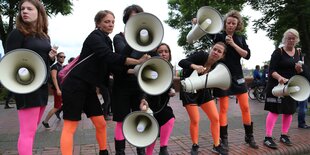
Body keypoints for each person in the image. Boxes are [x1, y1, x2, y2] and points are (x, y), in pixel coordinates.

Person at [59, 10, 150, 155]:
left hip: (88, 87)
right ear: (98, 23)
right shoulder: (94, 37)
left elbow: (113, 65)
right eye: (107, 22)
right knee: (70, 126)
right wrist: (138, 61)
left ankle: (103, 152)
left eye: (113, 22)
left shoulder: (106, 40)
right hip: (75, 85)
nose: (111, 24)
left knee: (101, 124)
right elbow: (109, 56)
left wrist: (138, 68)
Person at [5, 0, 58, 154]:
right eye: (22, 9)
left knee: (31, 131)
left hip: (41, 86)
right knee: (27, 132)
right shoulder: (17, 33)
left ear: (39, 12)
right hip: (26, 87)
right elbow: (10, 63)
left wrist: (50, 57)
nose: (25, 11)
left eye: (29, 8)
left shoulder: (44, 35)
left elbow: (41, 62)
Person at [210, 10, 258, 149]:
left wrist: (233, 44)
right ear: (225, 24)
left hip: (238, 76)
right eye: (228, 23)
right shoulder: (218, 36)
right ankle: (224, 139)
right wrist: (196, 22)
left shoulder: (241, 39)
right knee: (223, 109)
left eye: (233, 23)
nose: (230, 25)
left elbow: (247, 55)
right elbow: (205, 29)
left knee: (245, 107)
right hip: (221, 76)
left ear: (237, 25)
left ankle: (249, 136)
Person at [111, 5, 154, 155]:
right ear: (126, 20)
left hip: (138, 85)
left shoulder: (147, 41)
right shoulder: (118, 38)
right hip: (121, 85)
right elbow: (123, 57)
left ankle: (140, 150)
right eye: (132, 18)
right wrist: (138, 56)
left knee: (139, 118)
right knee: (121, 120)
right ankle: (120, 152)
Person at [178, 42, 228, 155]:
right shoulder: (201, 55)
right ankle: (195, 145)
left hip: (203, 91)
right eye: (215, 49)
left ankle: (216, 145)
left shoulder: (216, 66)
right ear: (211, 49)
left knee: (215, 118)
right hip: (188, 89)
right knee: (195, 120)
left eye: (219, 51)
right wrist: (195, 66)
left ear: (222, 56)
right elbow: (182, 62)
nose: (216, 52)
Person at [263, 28, 308, 149]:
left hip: (291, 86)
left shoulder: (298, 53)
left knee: (289, 111)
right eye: (289, 38)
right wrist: (280, 78)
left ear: (297, 40)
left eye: (293, 38)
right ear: (285, 39)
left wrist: (299, 70)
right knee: (274, 111)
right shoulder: (278, 52)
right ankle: (267, 137)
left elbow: (300, 72)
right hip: (276, 86)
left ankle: (284, 135)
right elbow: (271, 70)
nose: (291, 40)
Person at [145, 43, 176, 155]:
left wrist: (171, 90)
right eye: (160, 51)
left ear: (169, 54)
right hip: (149, 104)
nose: (163, 54)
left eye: (166, 51)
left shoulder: (170, 67)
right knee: (152, 132)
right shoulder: (151, 66)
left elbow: (169, 84)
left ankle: (163, 148)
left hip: (162, 104)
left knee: (169, 117)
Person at [42, 52, 66, 128]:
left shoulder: (61, 67)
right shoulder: (55, 67)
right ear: (57, 57)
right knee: (56, 107)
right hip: (57, 90)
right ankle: (45, 121)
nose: (63, 58)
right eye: (61, 57)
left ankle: (60, 112)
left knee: (65, 103)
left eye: (64, 57)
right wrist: (58, 89)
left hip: (62, 89)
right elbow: (54, 78)